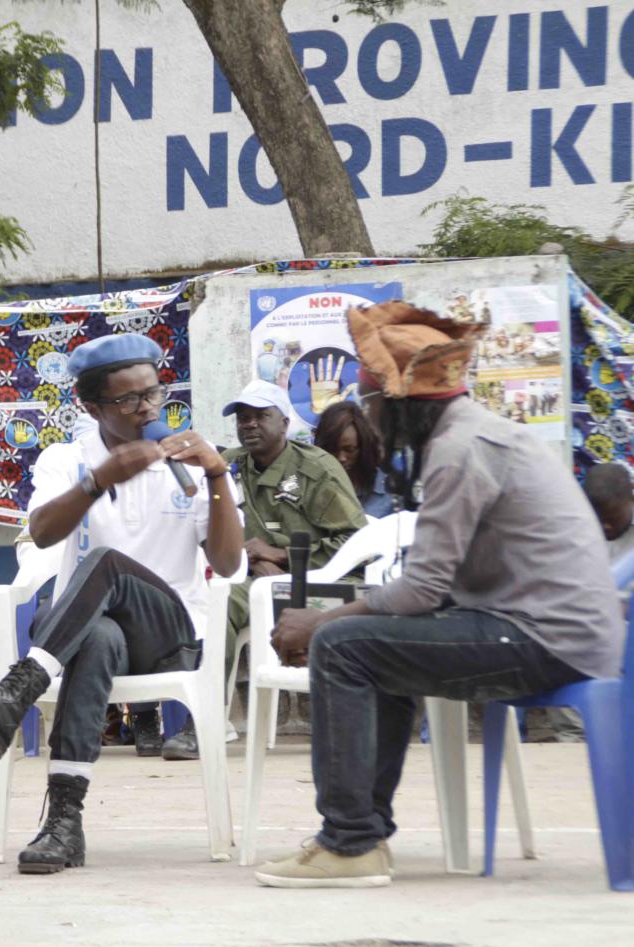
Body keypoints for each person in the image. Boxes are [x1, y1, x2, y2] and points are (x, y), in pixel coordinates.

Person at [258, 301, 623, 888]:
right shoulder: (476, 433)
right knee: (370, 645)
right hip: (554, 631)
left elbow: (423, 590)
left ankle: (350, 843)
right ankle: (363, 834)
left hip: (545, 639)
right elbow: (436, 587)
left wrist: (320, 623)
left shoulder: (459, 450)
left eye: (372, 403)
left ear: (401, 404)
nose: (370, 418)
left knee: (344, 646)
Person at [0, 334, 244, 874]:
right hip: (90, 636)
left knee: (107, 563)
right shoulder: (68, 460)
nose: (146, 408)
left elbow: (226, 564)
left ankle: (17, 690)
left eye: (153, 394)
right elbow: (41, 533)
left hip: (168, 635)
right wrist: (100, 479)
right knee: (98, 637)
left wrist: (217, 474)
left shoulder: (191, 462)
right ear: (91, 408)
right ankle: (64, 823)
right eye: (127, 400)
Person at [222, 379, 367, 749]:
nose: (249, 424)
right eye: (242, 417)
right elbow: (207, 527)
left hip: (323, 579)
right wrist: (253, 560)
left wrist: (282, 557)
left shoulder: (316, 469)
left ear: (285, 423)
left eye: (260, 416)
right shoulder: (229, 466)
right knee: (216, 602)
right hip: (255, 580)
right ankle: (206, 718)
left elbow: (354, 542)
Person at [313, 400, 393, 519]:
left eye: (349, 450)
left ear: (364, 448)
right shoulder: (310, 489)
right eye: (333, 450)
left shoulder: (390, 492)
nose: (341, 458)